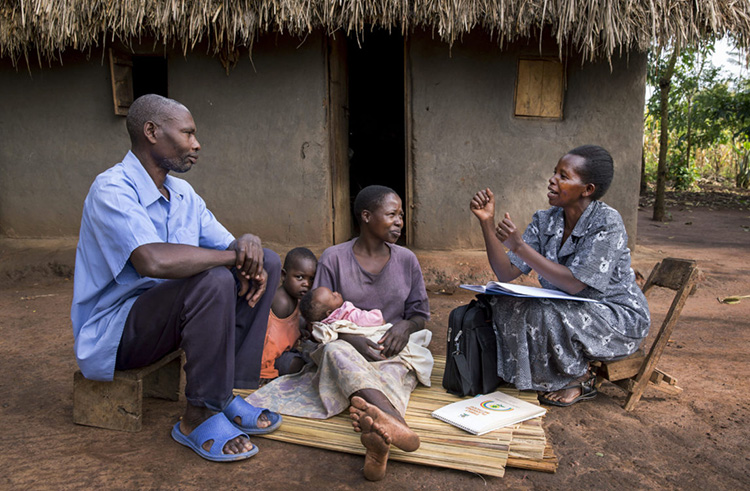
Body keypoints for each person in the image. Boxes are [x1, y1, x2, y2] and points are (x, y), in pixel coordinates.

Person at [71, 94, 282, 462]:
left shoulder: (183, 193)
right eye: (188, 133)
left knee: (267, 261)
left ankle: (226, 393)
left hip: (167, 318)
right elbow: (151, 261)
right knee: (214, 280)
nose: (196, 144)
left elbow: (229, 246)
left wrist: (246, 243)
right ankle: (196, 416)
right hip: (117, 335)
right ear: (152, 132)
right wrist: (233, 257)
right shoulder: (112, 189)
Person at [247, 185, 432, 481]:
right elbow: (315, 318)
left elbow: (420, 315)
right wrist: (349, 338)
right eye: (392, 214)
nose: (399, 221)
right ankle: (398, 426)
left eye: (401, 215)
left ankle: (379, 436)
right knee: (335, 352)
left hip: (390, 351)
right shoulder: (334, 258)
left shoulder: (406, 260)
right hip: (343, 348)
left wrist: (405, 326)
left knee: (392, 372)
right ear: (367, 216)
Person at [470, 145, 650, 407]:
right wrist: (487, 222)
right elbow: (505, 273)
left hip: (615, 317)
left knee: (545, 311)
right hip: (570, 308)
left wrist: (520, 246)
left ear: (587, 189)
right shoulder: (546, 220)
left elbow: (574, 283)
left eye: (563, 176)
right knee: (503, 301)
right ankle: (530, 375)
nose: (552, 179)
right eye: (554, 172)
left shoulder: (607, 222)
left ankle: (576, 377)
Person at [258, 247, 317, 383]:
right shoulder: (282, 301)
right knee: (301, 365)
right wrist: (265, 372)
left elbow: (290, 326)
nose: (306, 284)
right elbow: (269, 341)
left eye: (311, 279)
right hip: (267, 360)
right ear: (283, 275)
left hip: (282, 351)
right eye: (300, 277)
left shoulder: (294, 298)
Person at [299, 286, 385, 326]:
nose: (336, 293)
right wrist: (377, 317)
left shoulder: (324, 325)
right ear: (329, 312)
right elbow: (363, 318)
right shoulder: (345, 314)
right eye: (333, 296)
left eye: (333, 291)